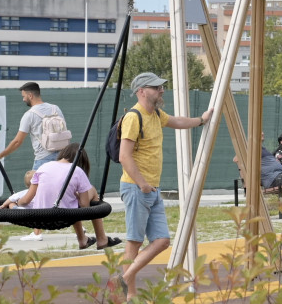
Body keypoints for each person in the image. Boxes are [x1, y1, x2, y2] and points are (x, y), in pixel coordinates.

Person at [109, 72, 214, 301]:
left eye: (162, 87)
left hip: (150, 189)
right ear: (141, 91)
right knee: (134, 243)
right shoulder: (134, 117)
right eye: (156, 87)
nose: (161, 90)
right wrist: (143, 184)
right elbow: (125, 156)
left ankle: (124, 280)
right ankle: (130, 295)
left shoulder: (156, 114)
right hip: (137, 188)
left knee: (163, 241)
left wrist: (201, 120)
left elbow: (176, 121)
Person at [16, 143, 123, 250]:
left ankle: (83, 240)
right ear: (81, 161)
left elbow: (27, 199)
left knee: (70, 200)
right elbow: (84, 206)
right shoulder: (78, 171)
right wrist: (77, 195)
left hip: (40, 217)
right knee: (91, 191)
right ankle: (101, 239)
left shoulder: (43, 167)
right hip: (66, 216)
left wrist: (17, 203)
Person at [0, 82, 69, 240]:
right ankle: (80, 227)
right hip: (62, 156)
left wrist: (0, 155)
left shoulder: (30, 115)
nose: (23, 99)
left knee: (36, 194)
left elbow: (17, 141)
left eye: (23, 96)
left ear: (30, 95)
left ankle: (37, 232)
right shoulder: (55, 108)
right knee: (63, 191)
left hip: (43, 158)